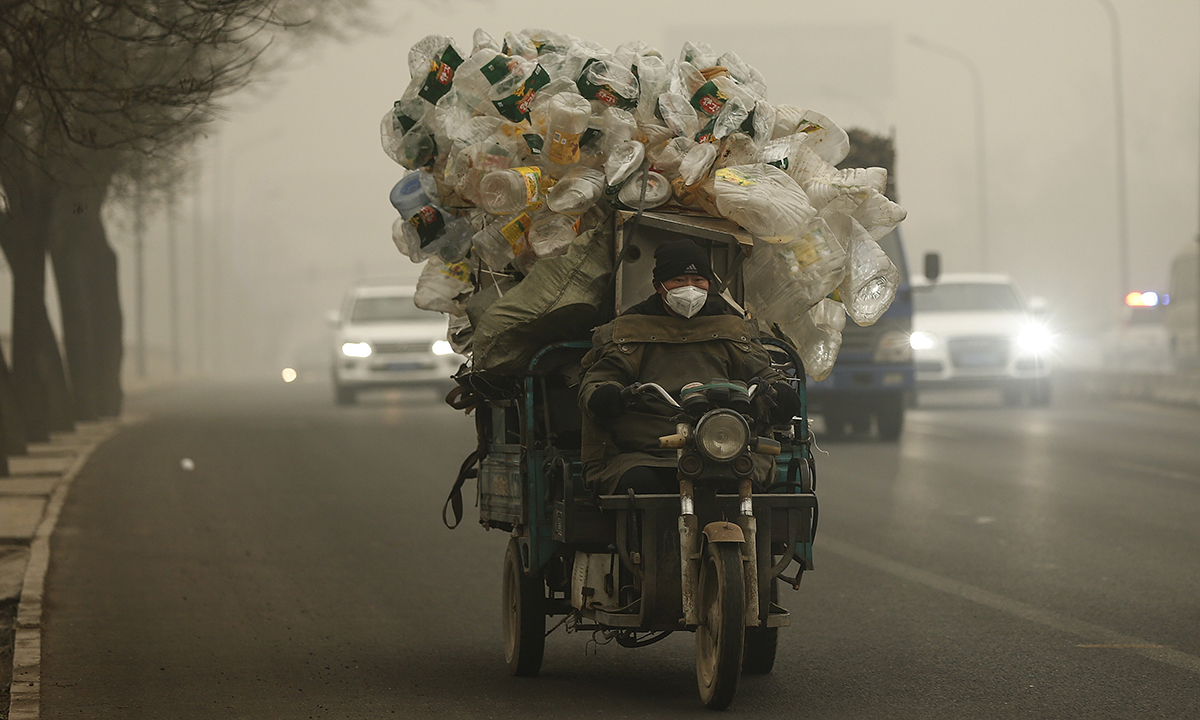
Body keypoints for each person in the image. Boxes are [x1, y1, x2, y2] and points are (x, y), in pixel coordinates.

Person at [578, 238, 801, 494]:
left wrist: (778, 392)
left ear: (709, 284)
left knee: (749, 485)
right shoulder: (629, 330)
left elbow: (762, 371)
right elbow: (600, 377)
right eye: (679, 281)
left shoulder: (730, 327)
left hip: (725, 445)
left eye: (698, 281)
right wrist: (605, 395)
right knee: (638, 485)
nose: (690, 288)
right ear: (658, 286)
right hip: (647, 451)